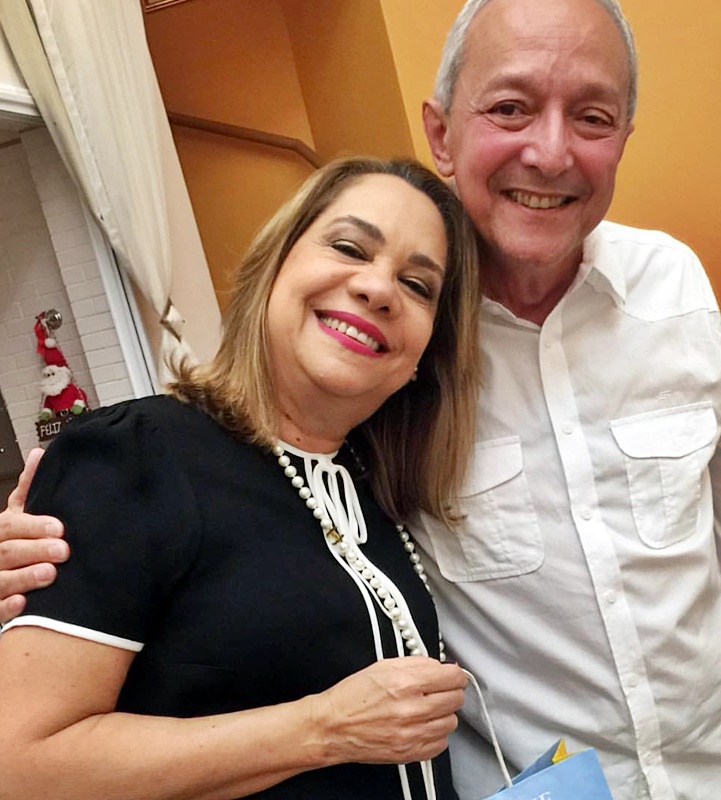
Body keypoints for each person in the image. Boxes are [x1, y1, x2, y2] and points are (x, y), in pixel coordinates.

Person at [2, 0, 720, 797]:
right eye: (510, 107)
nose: (549, 152)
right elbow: (24, 752)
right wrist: (71, 527)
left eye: (591, 117)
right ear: (441, 132)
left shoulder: (668, 290)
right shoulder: (155, 452)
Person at [0, 155, 484, 800]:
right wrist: (324, 728)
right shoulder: (135, 454)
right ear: (273, 267)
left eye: (418, 285)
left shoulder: (376, 490)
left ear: (424, 354)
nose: (378, 289)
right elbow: (21, 766)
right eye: (348, 248)